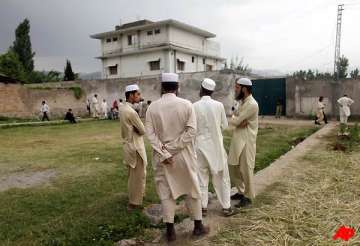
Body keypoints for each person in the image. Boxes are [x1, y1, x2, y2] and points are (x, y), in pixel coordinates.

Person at [145, 73, 209, 242]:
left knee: (165, 194)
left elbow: (150, 135)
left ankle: (170, 232)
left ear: (162, 87)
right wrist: (173, 149)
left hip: (162, 157)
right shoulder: (187, 104)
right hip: (184, 156)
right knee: (192, 189)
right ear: (177, 87)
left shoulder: (152, 107)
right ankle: (198, 227)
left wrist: (165, 152)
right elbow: (192, 131)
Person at [193, 78, 236, 217]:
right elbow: (224, 125)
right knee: (222, 177)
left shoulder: (194, 106)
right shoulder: (219, 105)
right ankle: (226, 207)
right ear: (212, 91)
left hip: (199, 147)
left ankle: (202, 208)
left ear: (202, 89)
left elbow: (193, 128)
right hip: (216, 147)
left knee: (201, 178)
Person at [228, 78, 259, 208]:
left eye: (237, 87)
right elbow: (237, 118)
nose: (235, 90)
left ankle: (248, 196)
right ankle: (241, 191)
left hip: (247, 140)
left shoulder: (252, 104)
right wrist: (238, 119)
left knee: (246, 169)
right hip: (238, 138)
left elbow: (236, 120)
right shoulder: (242, 102)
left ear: (244, 89)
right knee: (232, 166)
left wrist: (237, 119)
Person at [119, 84, 148, 211]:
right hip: (135, 146)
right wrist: (137, 128)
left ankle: (138, 195)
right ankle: (134, 202)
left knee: (133, 175)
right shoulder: (131, 112)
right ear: (130, 95)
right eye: (138, 94)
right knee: (138, 175)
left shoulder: (122, 108)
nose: (139, 97)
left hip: (128, 145)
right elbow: (142, 130)